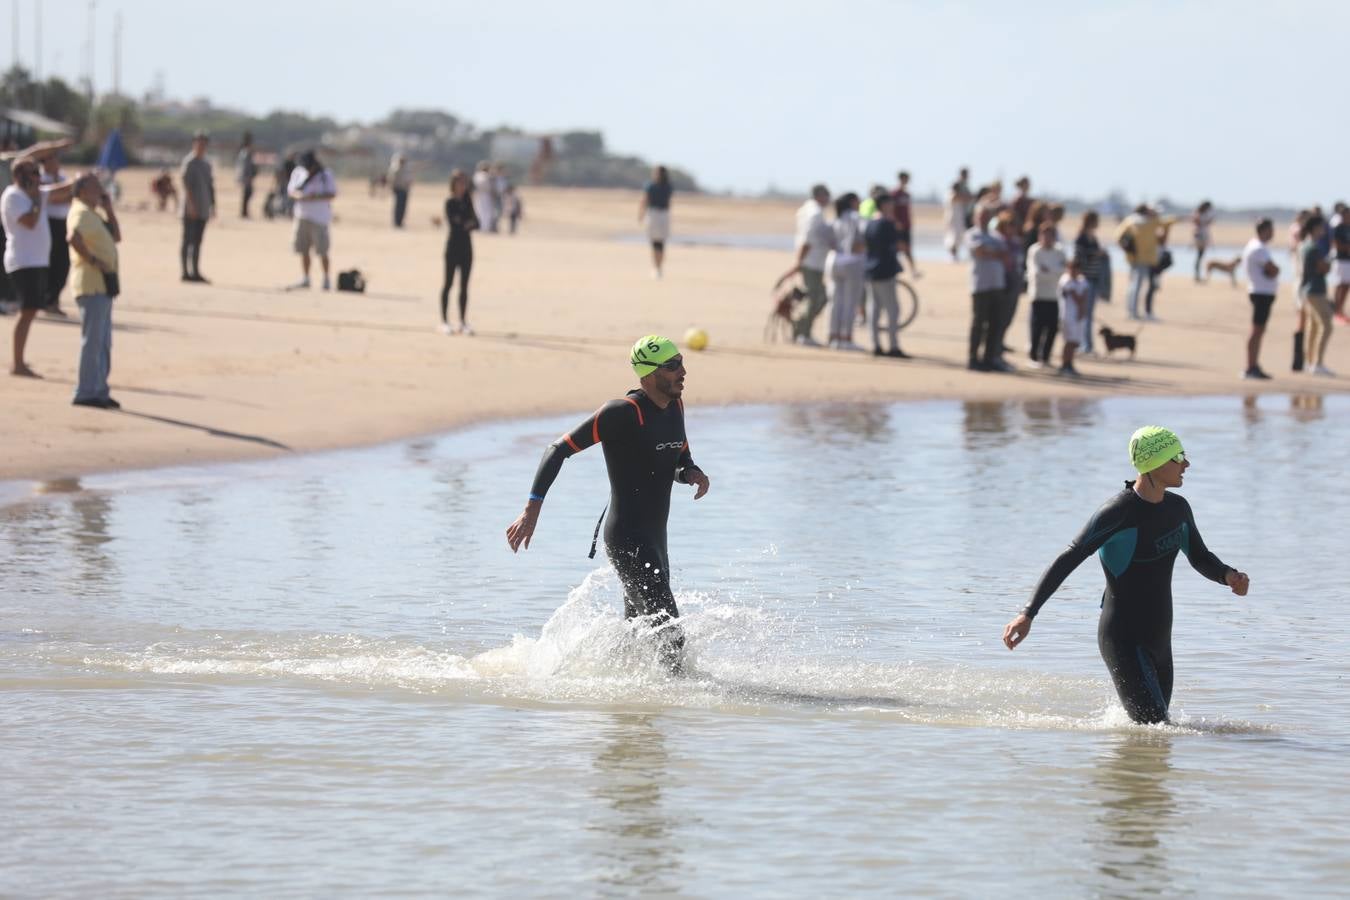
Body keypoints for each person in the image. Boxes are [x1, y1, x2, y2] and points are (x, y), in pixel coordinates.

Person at [1002, 426, 1250, 725]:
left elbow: (1199, 556)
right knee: (1156, 728)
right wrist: (1028, 613)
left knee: (1154, 738)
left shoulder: (1178, 509)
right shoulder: (1118, 512)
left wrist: (1227, 575)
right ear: (1154, 463)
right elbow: (1069, 557)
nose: (1187, 464)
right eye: (1178, 457)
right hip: (1123, 638)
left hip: (1160, 640)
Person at [505, 335, 711, 674]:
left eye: (681, 362)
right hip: (628, 539)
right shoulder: (622, 413)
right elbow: (558, 450)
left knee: (641, 630)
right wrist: (532, 509)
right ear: (647, 374)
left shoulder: (675, 406)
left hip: (657, 539)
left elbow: (678, 456)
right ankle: (672, 705)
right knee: (670, 633)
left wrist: (692, 472)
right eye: (672, 366)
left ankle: (623, 706)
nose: (682, 371)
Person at [2, 158, 74, 376]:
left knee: (30, 310)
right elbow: (30, 222)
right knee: (27, 311)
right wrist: (35, 198)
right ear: (19, 175)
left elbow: (60, 191)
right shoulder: (13, 196)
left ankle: (19, 360)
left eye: (37, 172)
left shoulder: (37, 194)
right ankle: (17, 363)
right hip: (22, 261)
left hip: (37, 260)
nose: (36, 177)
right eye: (32, 173)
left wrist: (81, 180)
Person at [66, 173, 122, 408]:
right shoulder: (79, 211)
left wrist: (109, 209)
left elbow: (117, 237)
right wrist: (92, 260)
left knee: (103, 341)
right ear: (81, 190)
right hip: (91, 283)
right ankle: (86, 391)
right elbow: (72, 237)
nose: (100, 188)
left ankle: (99, 388)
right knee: (93, 341)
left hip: (103, 284)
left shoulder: (93, 214)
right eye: (94, 185)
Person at [775, 184, 834, 346]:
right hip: (811, 261)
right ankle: (802, 332)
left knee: (815, 296)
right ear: (819, 195)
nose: (829, 199)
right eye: (827, 195)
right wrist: (799, 262)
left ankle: (801, 329)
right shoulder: (814, 213)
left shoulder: (807, 210)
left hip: (811, 260)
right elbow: (807, 240)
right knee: (816, 297)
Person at [862, 194, 909, 358]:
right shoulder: (887, 224)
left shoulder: (869, 224)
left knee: (873, 309)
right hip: (885, 271)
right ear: (884, 205)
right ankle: (893, 346)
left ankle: (875, 344)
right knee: (892, 310)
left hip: (870, 270)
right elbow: (900, 246)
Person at [287, 149, 338, 291]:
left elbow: (332, 193)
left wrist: (315, 197)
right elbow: (291, 191)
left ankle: (326, 279)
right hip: (302, 216)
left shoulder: (325, 175)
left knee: (322, 251)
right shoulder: (298, 172)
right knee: (303, 250)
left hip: (320, 218)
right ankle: (306, 278)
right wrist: (301, 197)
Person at [966, 206, 1009, 371]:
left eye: (986, 216)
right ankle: (973, 358)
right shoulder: (972, 234)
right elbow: (979, 251)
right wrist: (994, 253)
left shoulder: (997, 236)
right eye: (981, 216)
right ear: (976, 217)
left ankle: (989, 358)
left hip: (997, 284)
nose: (983, 219)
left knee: (995, 324)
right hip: (980, 285)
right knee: (979, 323)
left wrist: (991, 252)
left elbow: (1005, 255)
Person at [439, 169, 479, 334]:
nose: (462, 186)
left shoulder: (468, 201)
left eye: (464, 183)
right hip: (452, 248)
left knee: (464, 286)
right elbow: (455, 224)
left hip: (467, 248)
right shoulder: (450, 202)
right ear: (453, 185)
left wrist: (467, 223)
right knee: (448, 284)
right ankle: (444, 321)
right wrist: (466, 223)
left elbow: (477, 223)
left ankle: (463, 321)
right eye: (459, 183)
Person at [1116, 205, 1172, 321]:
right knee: (1138, 285)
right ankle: (1134, 312)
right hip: (1142, 258)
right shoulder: (1142, 222)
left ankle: (1133, 311)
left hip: (1136, 258)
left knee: (1135, 284)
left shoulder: (1132, 221)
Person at [1240, 218, 1279, 380]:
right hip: (1261, 292)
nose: (1273, 233)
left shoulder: (1255, 246)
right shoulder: (1258, 248)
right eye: (1271, 230)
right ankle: (1251, 366)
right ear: (1264, 230)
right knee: (1256, 331)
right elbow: (1273, 269)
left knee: (1259, 330)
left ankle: (1253, 364)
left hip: (1261, 291)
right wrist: (1275, 270)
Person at [827, 192, 865, 351]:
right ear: (852, 202)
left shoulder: (837, 218)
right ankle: (846, 338)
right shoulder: (855, 217)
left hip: (834, 260)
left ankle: (833, 336)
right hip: (852, 261)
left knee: (835, 301)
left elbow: (830, 240)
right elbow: (860, 240)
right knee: (850, 302)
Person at [1298, 215, 1335, 376]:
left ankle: (1310, 362)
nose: (1323, 230)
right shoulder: (1312, 247)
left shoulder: (1305, 245)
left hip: (1307, 289)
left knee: (1312, 327)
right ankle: (1317, 363)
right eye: (1321, 227)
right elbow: (1323, 268)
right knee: (1326, 325)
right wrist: (1329, 262)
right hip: (1315, 290)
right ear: (1314, 228)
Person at [1027, 223, 1067, 367]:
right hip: (1038, 295)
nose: (1047, 238)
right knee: (1037, 327)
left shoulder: (1059, 251)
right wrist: (1053, 272)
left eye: (1050, 235)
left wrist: (1049, 271)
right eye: (1045, 235)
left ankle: (1045, 356)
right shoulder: (1035, 251)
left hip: (1054, 295)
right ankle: (1033, 356)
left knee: (1052, 328)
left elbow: (1063, 271)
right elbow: (1036, 273)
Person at [179, 131, 215, 283]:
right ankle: (185, 272)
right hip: (190, 209)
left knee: (198, 242)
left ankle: (195, 271)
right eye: (198, 143)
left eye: (203, 143)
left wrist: (213, 205)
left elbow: (210, 186)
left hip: (203, 207)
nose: (201, 146)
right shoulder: (189, 162)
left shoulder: (206, 163)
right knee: (188, 240)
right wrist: (191, 206)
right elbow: (186, 185)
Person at [1073, 211, 1109, 355]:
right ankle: (1085, 345)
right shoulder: (1081, 238)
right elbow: (1079, 257)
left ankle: (1086, 344)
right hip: (1085, 278)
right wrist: (1096, 254)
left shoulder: (1092, 237)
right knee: (1085, 314)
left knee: (1088, 313)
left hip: (1094, 278)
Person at [637, 165, 673, 279]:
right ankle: (657, 267)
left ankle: (658, 267)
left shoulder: (665, 186)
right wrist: (642, 214)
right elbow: (645, 200)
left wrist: (641, 214)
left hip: (660, 214)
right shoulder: (653, 186)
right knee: (655, 243)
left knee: (659, 243)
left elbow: (644, 200)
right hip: (656, 214)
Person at [1058, 259, 1090, 377]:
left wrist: (1082, 311)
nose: (1073, 271)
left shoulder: (1082, 281)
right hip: (1068, 315)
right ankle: (1065, 365)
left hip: (1079, 316)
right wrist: (1081, 308)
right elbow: (1077, 298)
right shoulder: (1065, 280)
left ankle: (1070, 364)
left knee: (1075, 342)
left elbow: (1085, 296)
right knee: (1069, 341)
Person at [890, 170, 920, 277]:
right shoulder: (894, 194)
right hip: (897, 227)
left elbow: (908, 210)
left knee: (908, 249)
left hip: (906, 225)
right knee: (896, 248)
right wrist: (895, 222)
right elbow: (890, 209)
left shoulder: (907, 194)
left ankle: (913, 270)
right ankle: (893, 269)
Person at [1330, 203, 1350, 324]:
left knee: (1346, 286)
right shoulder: (1338, 228)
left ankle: (1340, 310)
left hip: (1348, 260)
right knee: (1340, 285)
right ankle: (1337, 310)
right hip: (1340, 261)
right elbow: (1336, 245)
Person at [235, 132, 258, 219]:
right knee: (247, 194)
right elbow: (245, 166)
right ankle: (244, 212)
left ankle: (244, 211)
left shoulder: (245, 152)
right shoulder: (245, 153)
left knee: (247, 194)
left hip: (247, 176)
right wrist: (247, 177)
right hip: (246, 177)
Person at [1191, 200, 1214, 282]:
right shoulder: (1198, 213)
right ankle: (1197, 275)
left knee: (1200, 256)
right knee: (1199, 256)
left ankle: (1197, 275)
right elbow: (1197, 223)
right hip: (1200, 236)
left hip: (1203, 235)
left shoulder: (1204, 213)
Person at [389, 154, 412, 228]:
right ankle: (397, 222)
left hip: (405, 190)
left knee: (403, 207)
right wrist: (393, 188)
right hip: (399, 189)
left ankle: (400, 222)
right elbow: (392, 180)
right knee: (398, 207)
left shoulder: (406, 170)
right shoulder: (396, 169)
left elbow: (409, 180)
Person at [472, 162, 496, 234]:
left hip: (479, 195)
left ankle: (482, 227)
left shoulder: (477, 175)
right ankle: (484, 228)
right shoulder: (485, 175)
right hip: (485, 195)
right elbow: (489, 186)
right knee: (486, 212)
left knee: (479, 211)